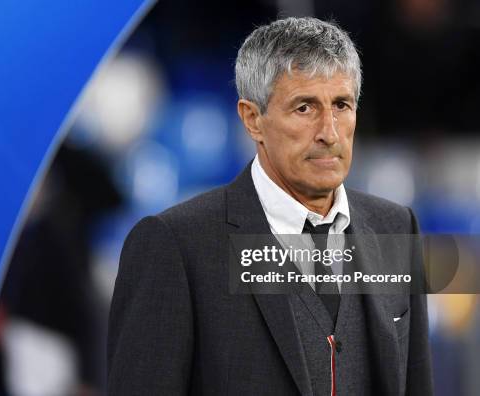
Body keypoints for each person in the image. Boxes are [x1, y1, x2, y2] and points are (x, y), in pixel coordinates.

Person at [107, 17, 433, 395]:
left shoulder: (394, 225)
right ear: (252, 120)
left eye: (341, 105)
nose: (329, 132)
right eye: (304, 108)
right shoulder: (176, 245)